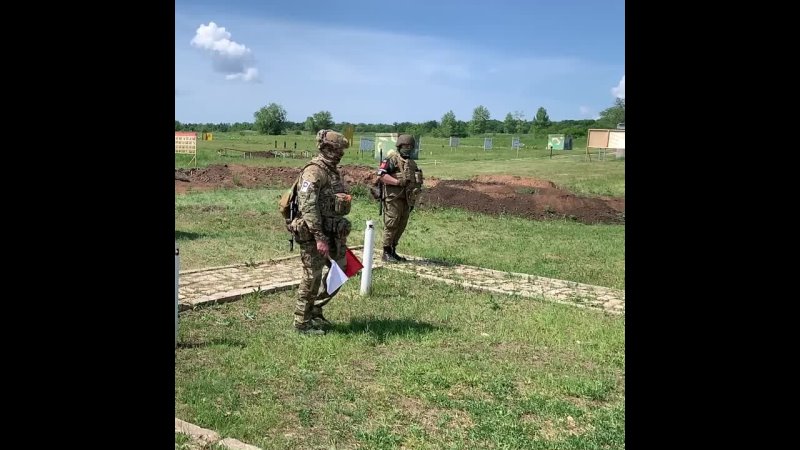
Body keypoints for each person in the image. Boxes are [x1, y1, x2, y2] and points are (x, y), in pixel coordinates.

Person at [287, 129, 352, 335]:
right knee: (312, 276)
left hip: (334, 233)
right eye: (337, 149)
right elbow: (308, 206)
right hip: (315, 235)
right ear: (325, 148)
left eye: (341, 150)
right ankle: (302, 322)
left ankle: (315, 309)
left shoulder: (333, 171)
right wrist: (319, 238)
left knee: (344, 269)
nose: (340, 154)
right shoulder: (314, 171)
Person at [376, 134, 423, 262]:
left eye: (410, 146)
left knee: (401, 225)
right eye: (405, 146)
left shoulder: (412, 163)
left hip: (407, 199)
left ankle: (393, 250)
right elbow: (381, 175)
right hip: (393, 198)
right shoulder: (392, 159)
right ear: (399, 146)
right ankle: (386, 252)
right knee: (391, 223)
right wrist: (397, 182)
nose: (407, 148)